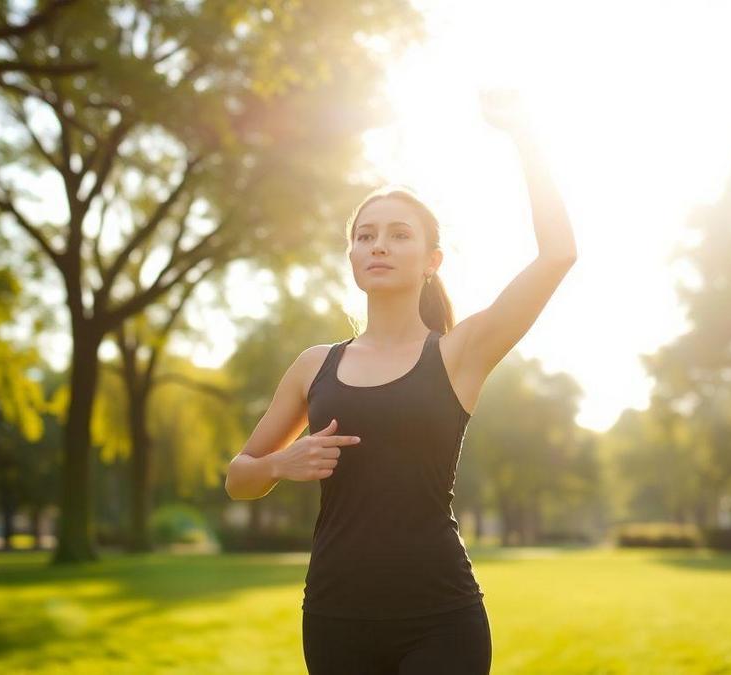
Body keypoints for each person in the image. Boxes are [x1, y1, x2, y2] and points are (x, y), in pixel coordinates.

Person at [224, 88, 577, 674]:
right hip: (336, 619)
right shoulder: (314, 365)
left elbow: (558, 254)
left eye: (398, 234)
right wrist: (278, 466)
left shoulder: (461, 354)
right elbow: (239, 479)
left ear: (432, 259)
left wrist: (526, 136)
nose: (378, 245)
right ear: (353, 256)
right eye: (365, 236)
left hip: (441, 620)